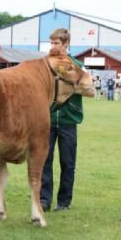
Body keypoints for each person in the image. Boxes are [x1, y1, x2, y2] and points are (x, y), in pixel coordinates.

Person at [40, 28, 84, 212]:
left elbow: (85, 88)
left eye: (57, 43)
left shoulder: (76, 65)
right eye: (51, 43)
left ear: (66, 44)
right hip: (48, 120)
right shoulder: (45, 65)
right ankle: (44, 200)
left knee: (67, 162)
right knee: (44, 161)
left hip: (68, 119)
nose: (53, 46)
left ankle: (64, 202)